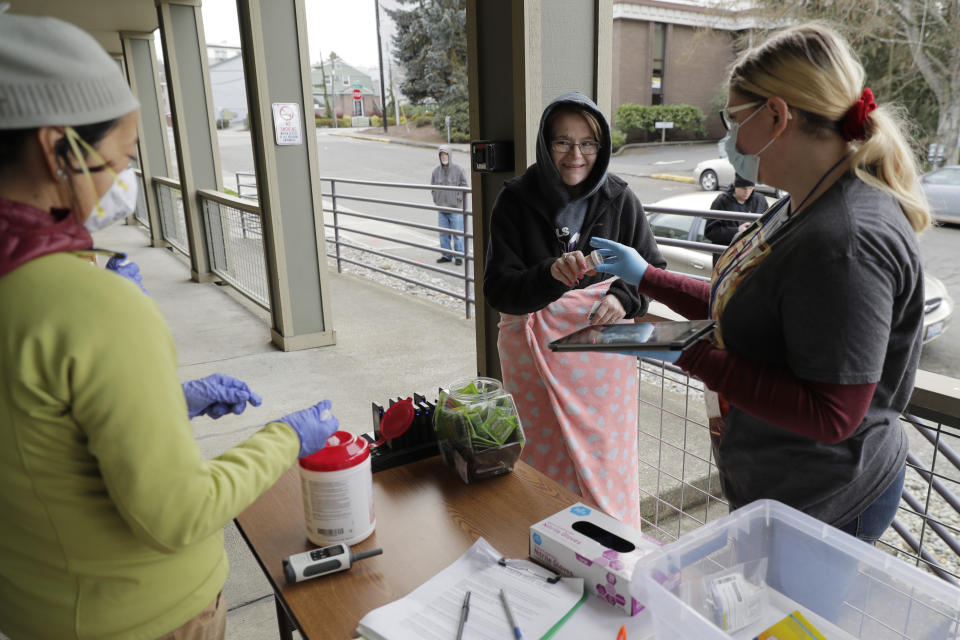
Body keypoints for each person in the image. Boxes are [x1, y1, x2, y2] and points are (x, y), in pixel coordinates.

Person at [0, 15, 340, 640]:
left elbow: (35, 438)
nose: (126, 179)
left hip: (38, 610)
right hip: (146, 617)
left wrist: (162, 403)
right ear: (58, 149)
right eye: (123, 157)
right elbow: (177, 515)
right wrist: (286, 437)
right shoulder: (91, 302)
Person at [591, 23, 929, 543]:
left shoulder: (845, 240)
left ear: (777, 115)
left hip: (823, 504)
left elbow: (832, 413)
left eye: (733, 118)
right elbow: (750, 310)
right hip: (779, 484)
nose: (727, 138)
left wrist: (681, 350)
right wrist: (647, 277)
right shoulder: (800, 201)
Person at [483, 92, 665, 527]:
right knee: (545, 462)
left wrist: (622, 298)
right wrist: (550, 276)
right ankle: (551, 542)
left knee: (607, 461)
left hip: (603, 360)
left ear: (601, 149)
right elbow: (499, 289)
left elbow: (651, 268)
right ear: (545, 145)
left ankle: (613, 549)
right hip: (533, 359)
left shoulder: (620, 198)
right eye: (563, 143)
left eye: (589, 144)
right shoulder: (515, 201)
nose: (576, 155)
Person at [704, 173, 768, 246]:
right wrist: (737, 231)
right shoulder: (721, 201)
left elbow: (768, 223)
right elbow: (710, 232)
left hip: (751, 251)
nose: (747, 192)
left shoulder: (760, 200)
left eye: (750, 188)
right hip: (727, 252)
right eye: (743, 188)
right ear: (735, 185)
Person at [430, 144, 468, 265]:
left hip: (455, 209)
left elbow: (465, 186)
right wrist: (437, 199)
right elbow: (432, 187)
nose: (444, 157)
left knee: (457, 234)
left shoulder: (458, 169)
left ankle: (459, 256)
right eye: (441, 154)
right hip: (441, 208)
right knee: (443, 234)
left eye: (445, 154)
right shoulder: (435, 171)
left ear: (450, 155)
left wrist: (458, 199)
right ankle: (446, 255)